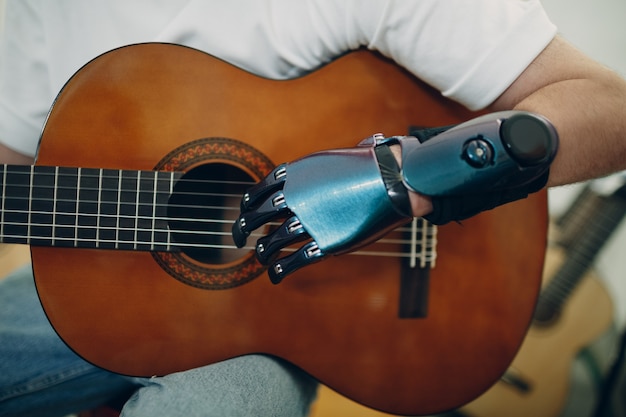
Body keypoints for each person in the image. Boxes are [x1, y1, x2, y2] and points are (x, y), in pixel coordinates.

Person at [1, 1, 625, 416]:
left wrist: (397, 180)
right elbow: (19, 167)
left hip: (285, 322)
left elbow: (610, 109)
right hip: (112, 287)